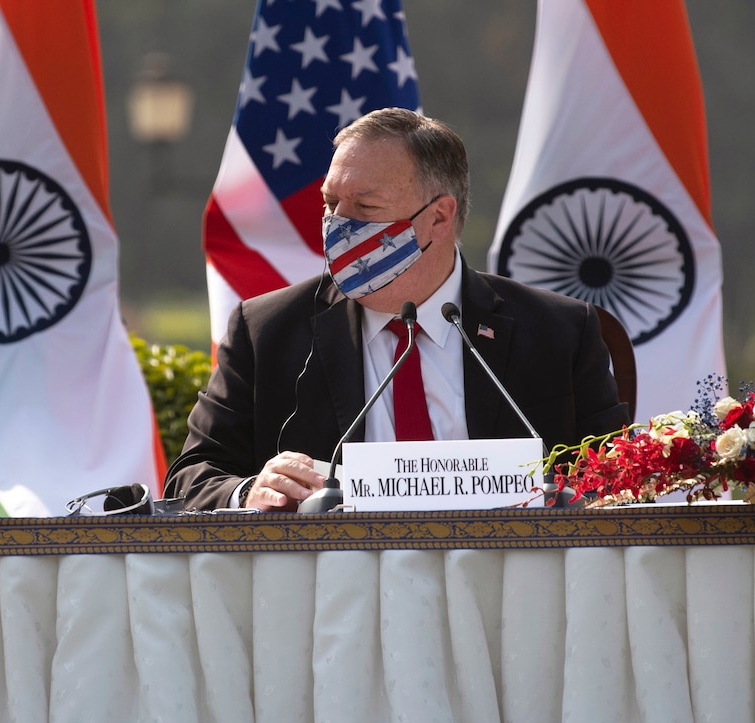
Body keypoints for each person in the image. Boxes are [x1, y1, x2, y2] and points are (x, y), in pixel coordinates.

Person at [164, 108, 629, 511]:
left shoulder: (557, 331)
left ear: (439, 217)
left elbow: (616, 479)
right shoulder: (267, 330)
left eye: (364, 207)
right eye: (330, 204)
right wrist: (248, 491)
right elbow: (191, 478)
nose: (336, 225)